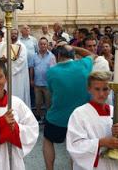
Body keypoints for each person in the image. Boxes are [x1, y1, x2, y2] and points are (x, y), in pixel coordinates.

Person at [66, 71, 118, 169]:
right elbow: (74, 145)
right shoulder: (79, 114)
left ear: (110, 89)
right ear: (89, 89)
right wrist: (101, 143)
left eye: (105, 89)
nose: (101, 94)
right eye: (97, 89)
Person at [43, 42, 95, 170]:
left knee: (48, 140)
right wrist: (73, 47)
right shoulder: (84, 64)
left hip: (58, 117)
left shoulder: (51, 72)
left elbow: (51, 92)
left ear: (59, 55)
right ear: (73, 54)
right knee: (75, 145)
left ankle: (49, 168)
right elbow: (91, 54)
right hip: (81, 117)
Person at [0, 29, 30, 107]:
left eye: (15, 33)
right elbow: (1, 57)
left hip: (18, 76)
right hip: (6, 74)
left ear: (18, 35)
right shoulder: (5, 46)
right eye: (12, 33)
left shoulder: (22, 46)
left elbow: (21, 61)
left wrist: (9, 66)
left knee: (18, 93)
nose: (13, 35)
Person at [29, 37, 56, 122]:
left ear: (47, 45)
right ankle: (38, 116)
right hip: (37, 83)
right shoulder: (34, 56)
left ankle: (47, 118)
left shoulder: (52, 56)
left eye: (44, 44)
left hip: (47, 84)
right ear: (38, 45)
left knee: (48, 102)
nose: (43, 45)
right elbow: (31, 68)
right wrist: (31, 79)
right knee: (37, 102)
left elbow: (53, 70)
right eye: (41, 44)